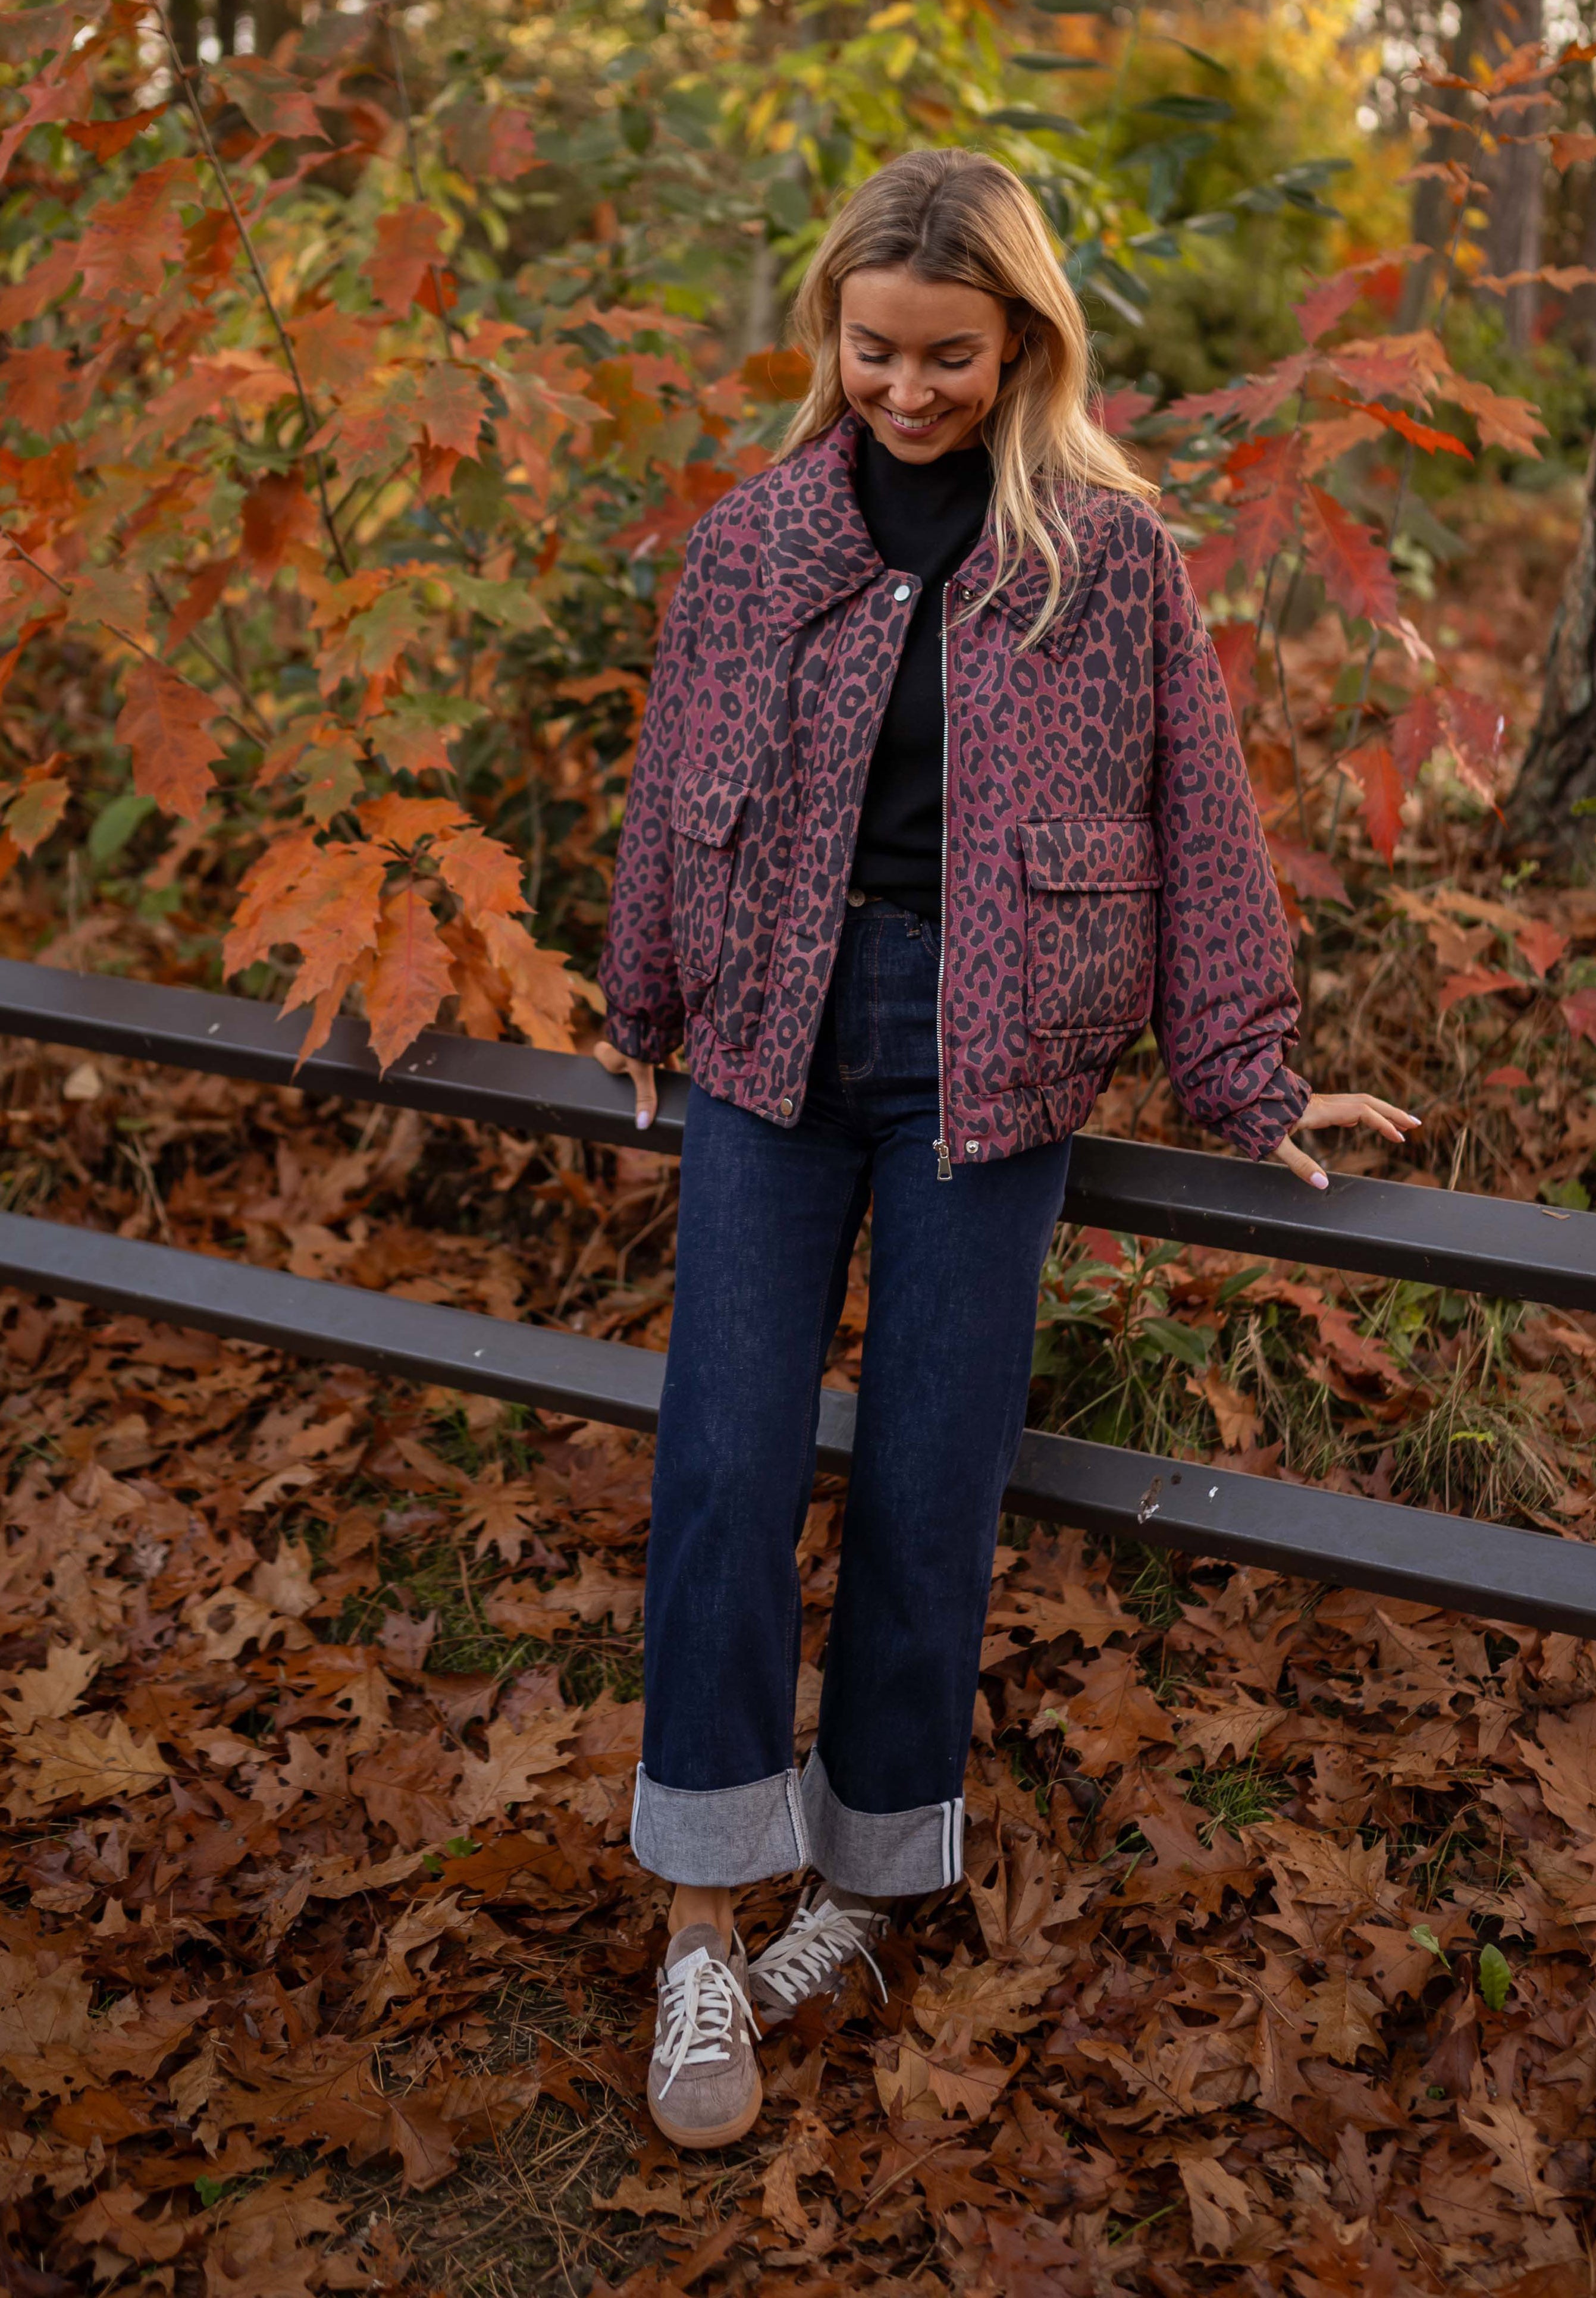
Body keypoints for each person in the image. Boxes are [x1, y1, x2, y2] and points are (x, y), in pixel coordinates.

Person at [595, 148, 1417, 2149]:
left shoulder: (1105, 554)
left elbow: (1196, 815)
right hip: (774, 1037)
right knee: (719, 1457)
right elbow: (674, 768)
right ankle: (702, 1909)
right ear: (832, 339)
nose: (905, 388)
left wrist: (1244, 1069)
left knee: (929, 1479)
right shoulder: (758, 536)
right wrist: (640, 1002)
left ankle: (864, 1889)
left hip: (999, 1056)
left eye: (948, 353)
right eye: (872, 349)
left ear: (1024, 340)